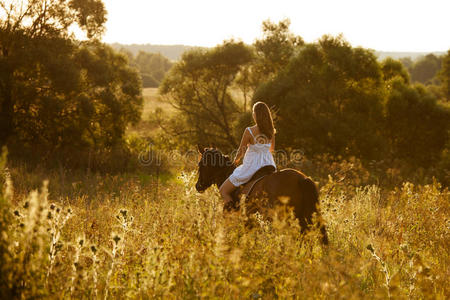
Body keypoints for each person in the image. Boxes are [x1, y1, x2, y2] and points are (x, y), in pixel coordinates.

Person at [219, 101, 276, 205]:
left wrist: (235, 161)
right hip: (269, 165)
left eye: (253, 112)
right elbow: (271, 149)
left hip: (252, 167)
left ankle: (232, 214)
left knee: (223, 191)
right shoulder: (271, 131)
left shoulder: (249, 131)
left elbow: (241, 151)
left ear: (255, 114)